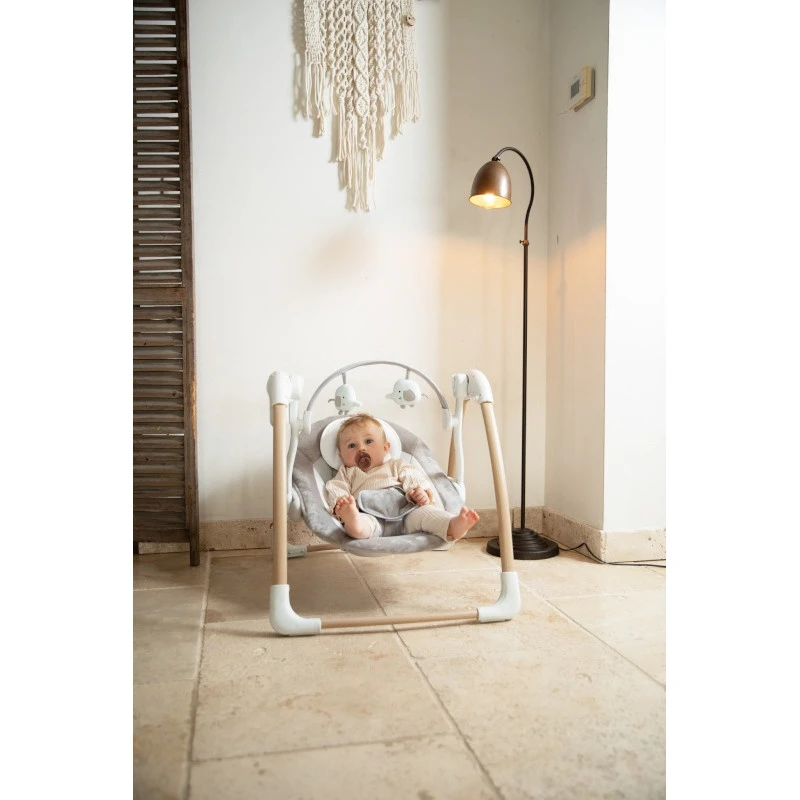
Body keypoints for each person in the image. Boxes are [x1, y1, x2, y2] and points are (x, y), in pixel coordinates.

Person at [324, 413, 479, 542]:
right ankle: (355, 524)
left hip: (406, 513)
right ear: (341, 456)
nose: (361, 448)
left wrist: (419, 491)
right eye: (352, 445)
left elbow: (413, 476)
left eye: (369, 441)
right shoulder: (347, 472)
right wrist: (342, 505)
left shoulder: (396, 464)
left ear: (385, 448)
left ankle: (452, 524)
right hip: (370, 515)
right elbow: (336, 487)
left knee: (427, 514)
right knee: (363, 524)